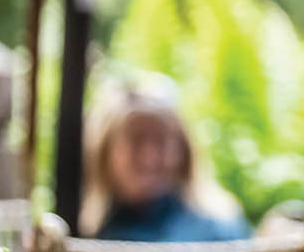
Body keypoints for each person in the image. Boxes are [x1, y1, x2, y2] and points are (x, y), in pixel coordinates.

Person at [80, 79, 250, 243]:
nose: (150, 157)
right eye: (136, 140)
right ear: (106, 151)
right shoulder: (86, 231)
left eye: (161, 142)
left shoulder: (218, 229)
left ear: (182, 151)